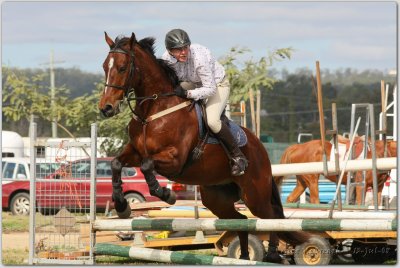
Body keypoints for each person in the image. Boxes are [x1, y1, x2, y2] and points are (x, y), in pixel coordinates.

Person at [161, 29, 248, 176]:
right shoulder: (166, 59)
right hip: (193, 83)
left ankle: (238, 156)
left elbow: (209, 89)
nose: (183, 52)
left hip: (217, 85)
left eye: (185, 47)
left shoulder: (199, 58)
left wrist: (188, 94)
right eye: (178, 50)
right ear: (170, 51)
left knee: (212, 121)